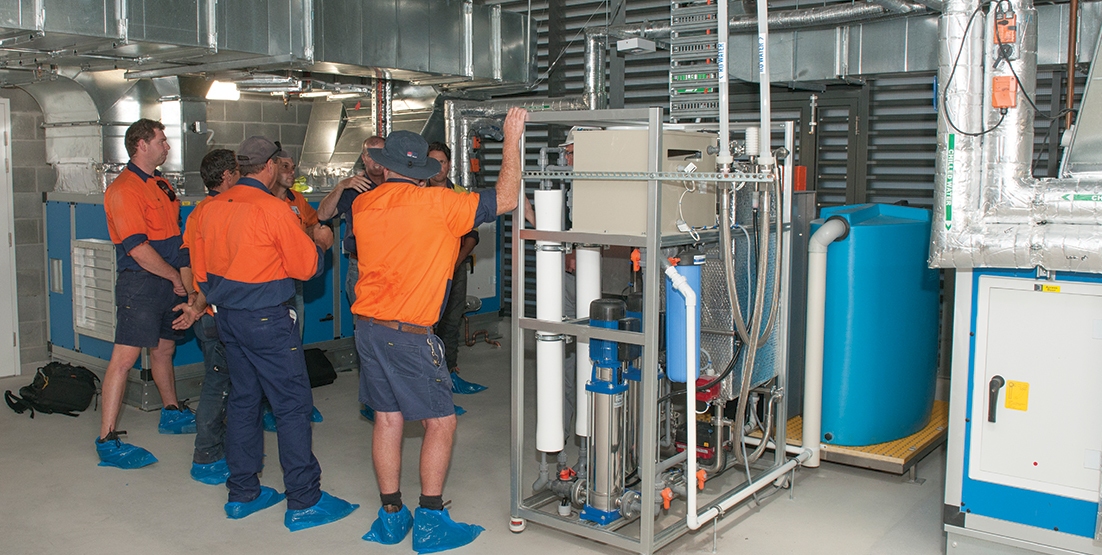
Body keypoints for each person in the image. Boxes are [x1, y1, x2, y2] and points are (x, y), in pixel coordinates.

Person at [353, 107, 527, 552]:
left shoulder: (365, 203)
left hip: (368, 328)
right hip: (410, 332)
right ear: (425, 170)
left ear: (387, 165)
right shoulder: (440, 204)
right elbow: (506, 199)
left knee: (388, 418)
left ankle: (391, 515)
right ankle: (430, 520)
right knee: (441, 422)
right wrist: (512, 138)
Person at [189, 136, 357, 531]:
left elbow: (200, 273)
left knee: (244, 401)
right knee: (292, 405)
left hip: (227, 319)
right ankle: (304, 500)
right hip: (267, 320)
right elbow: (304, 269)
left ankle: (242, 493)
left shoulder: (209, 210)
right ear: (268, 167)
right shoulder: (273, 209)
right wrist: (321, 246)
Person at [96, 118, 197, 469]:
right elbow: (137, 247)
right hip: (141, 282)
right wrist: (173, 277)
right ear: (141, 144)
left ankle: (170, 412)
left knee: (164, 347)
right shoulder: (123, 189)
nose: (166, 146)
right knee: (124, 359)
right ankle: (107, 439)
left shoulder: (162, 185)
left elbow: (176, 237)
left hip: (169, 281)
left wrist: (184, 278)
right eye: (161, 140)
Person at [177, 149, 238, 484]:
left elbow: (186, 260)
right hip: (218, 311)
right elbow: (221, 271)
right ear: (227, 176)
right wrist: (200, 303)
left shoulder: (197, 212)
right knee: (220, 386)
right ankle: (207, 455)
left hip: (203, 310)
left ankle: (222, 448)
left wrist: (191, 298)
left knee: (219, 381)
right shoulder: (225, 211)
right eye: (238, 174)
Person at [425, 142, 486, 396]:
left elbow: (472, 235)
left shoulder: (460, 194)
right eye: (433, 162)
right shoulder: (417, 192)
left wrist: (456, 261)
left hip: (454, 268)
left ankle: (449, 375)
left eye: (442, 161)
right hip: (425, 269)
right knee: (425, 324)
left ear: (449, 164)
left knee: (451, 322)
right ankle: (427, 378)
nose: (438, 167)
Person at [317, 135, 385, 306]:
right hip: (361, 266)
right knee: (364, 323)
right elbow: (323, 215)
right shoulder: (355, 187)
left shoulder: (396, 184)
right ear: (363, 158)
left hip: (391, 265)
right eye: (371, 155)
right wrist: (341, 186)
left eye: (381, 154)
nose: (376, 160)